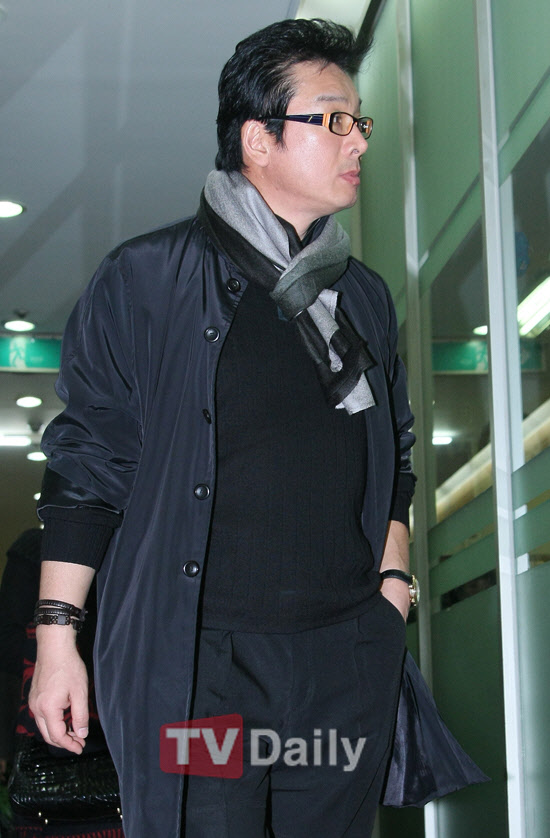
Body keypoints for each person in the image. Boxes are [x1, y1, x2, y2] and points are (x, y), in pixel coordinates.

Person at [29, 18, 427, 838]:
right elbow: (88, 461)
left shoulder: (362, 297)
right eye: (334, 119)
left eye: (359, 121)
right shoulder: (148, 278)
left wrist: (393, 586)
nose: (358, 140)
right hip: (208, 674)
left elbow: (395, 454)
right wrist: (59, 637)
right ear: (258, 139)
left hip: (343, 666)